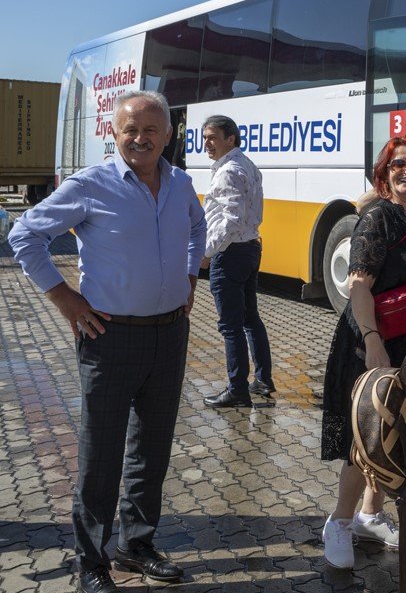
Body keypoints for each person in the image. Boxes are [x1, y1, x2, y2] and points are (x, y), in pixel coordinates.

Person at [9, 90, 206, 593]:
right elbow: (24, 235)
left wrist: (189, 276)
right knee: (101, 456)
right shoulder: (90, 185)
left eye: (150, 130)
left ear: (168, 135)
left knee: (152, 450)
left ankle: (136, 545)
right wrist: (65, 299)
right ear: (113, 134)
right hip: (109, 337)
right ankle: (91, 563)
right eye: (129, 130)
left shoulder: (181, 183)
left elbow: (197, 228)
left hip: (170, 334)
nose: (140, 139)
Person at [319, 136, 406, 569]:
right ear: (384, 173)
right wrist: (372, 341)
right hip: (371, 341)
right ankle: (339, 521)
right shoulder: (379, 218)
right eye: (397, 165)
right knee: (366, 436)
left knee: (391, 432)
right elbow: (358, 286)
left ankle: (370, 516)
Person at [198, 115, 273, 408]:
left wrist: (207, 252)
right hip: (250, 248)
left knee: (230, 325)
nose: (207, 144)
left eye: (212, 137)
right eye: (205, 138)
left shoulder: (229, 171)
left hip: (230, 253)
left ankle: (237, 390)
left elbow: (231, 220)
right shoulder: (247, 164)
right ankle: (263, 380)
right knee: (250, 318)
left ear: (230, 139)